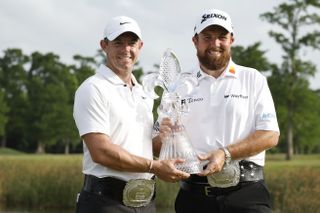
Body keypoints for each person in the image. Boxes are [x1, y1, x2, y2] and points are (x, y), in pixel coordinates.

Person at [153, 8, 280, 213]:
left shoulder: (253, 79)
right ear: (195, 40)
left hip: (247, 195)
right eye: (207, 37)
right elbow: (157, 143)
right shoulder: (178, 85)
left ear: (232, 39)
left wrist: (225, 153)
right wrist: (166, 139)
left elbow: (270, 135)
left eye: (222, 37)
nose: (215, 44)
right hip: (193, 197)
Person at [73, 16, 189, 213]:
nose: (126, 49)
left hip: (146, 204)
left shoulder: (143, 92)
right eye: (118, 43)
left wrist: (165, 138)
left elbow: (145, 146)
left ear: (140, 46)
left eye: (132, 43)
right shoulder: (93, 88)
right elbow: (101, 152)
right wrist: (154, 166)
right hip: (105, 204)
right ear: (104, 45)